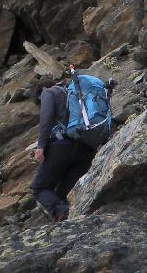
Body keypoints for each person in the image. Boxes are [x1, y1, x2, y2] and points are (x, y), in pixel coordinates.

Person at [30, 78, 96, 223]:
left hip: (62, 147)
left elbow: (46, 117)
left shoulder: (48, 92)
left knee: (40, 188)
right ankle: (72, 220)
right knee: (63, 193)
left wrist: (41, 146)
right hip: (86, 150)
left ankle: (63, 213)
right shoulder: (75, 93)